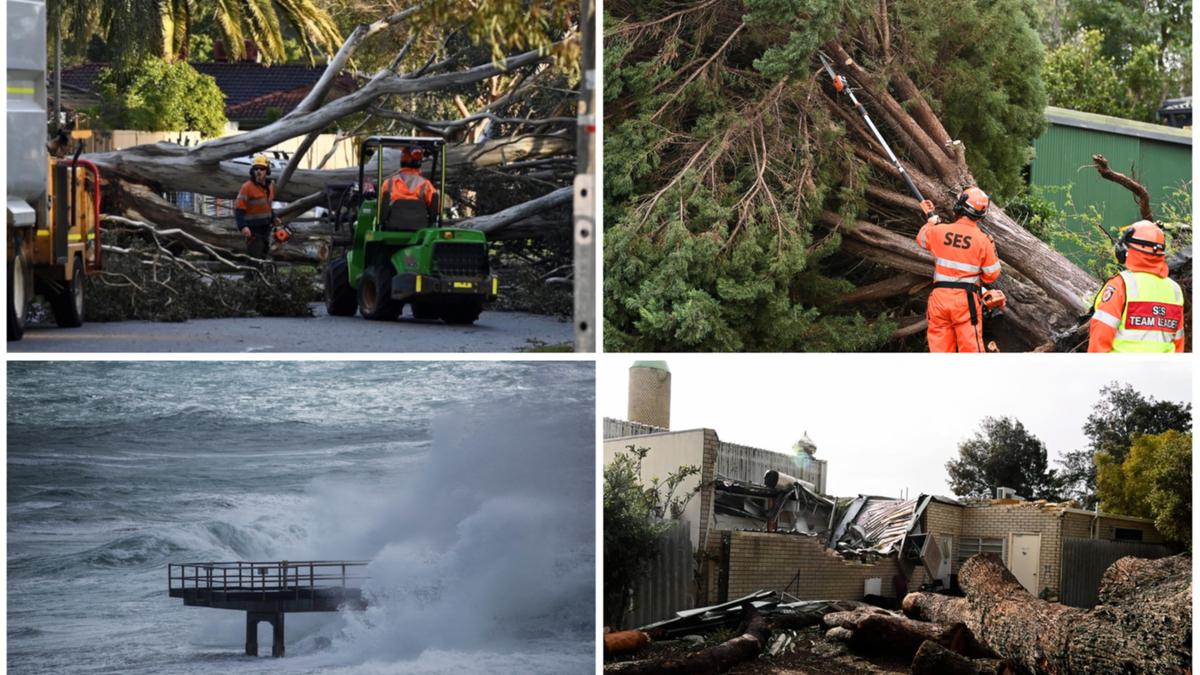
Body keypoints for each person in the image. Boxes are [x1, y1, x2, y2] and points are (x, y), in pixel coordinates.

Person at [915, 187, 1002, 352]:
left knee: (940, 352)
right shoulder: (983, 241)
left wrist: (930, 223)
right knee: (970, 351)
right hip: (966, 302)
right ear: (981, 213)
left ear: (961, 205)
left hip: (939, 300)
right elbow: (992, 275)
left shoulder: (939, 231)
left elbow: (922, 239)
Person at [1088, 220, 1185, 352]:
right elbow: (1178, 344)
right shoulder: (1174, 290)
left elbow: (1100, 337)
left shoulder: (1120, 285)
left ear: (1131, 250)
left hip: (1122, 371)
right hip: (1163, 372)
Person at [379, 147, 438, 230]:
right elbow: (434, 207)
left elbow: (382, 205)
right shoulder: (426, 184)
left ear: (402, 160)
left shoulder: (388, 183)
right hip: (420, 227)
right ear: (419, 163)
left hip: (393, 226)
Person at [234, 155, 279, 258]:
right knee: (255, 258)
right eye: (256, 168)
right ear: (252, 171)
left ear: (267, 171)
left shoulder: (270, 186)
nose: (258, 171)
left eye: (262, 168)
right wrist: (243, 227)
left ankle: (262, 274)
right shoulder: (247, 187)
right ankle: (251, 274)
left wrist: (273, 217)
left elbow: (267, 206)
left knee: (265, 256)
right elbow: (238, 209)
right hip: (253, 230)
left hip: (266, 228)